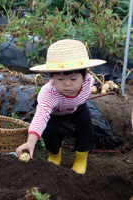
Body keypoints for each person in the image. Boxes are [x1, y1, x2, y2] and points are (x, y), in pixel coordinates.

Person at [16, 39, 106, 174]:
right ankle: (54, 154)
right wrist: (30, 142)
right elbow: (40, 117)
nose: (67, 84)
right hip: (54, 111)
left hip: (76, 106)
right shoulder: (49, 94)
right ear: (52, 77)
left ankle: (81, 158)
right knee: (50, 130)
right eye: (60, 79)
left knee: (86, 122)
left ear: (84, 76)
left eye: (73, 79)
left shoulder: (89, 82)